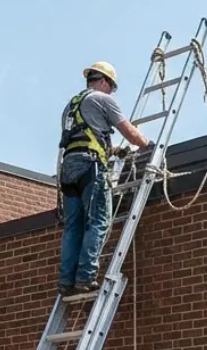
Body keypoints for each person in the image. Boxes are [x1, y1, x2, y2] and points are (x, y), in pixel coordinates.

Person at [56, 61, 150, 296]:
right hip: (90, 167)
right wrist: (146, 144)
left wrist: (114, 150)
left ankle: (66, 281)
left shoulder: (71, 105)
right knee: (98, 221)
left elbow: (85, 136)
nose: (112, 92)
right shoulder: (104, 99)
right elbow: (130, 133)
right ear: (105, 82)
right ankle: (86, 276)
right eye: (112, 87)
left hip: (68, 169)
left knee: (73, 227)